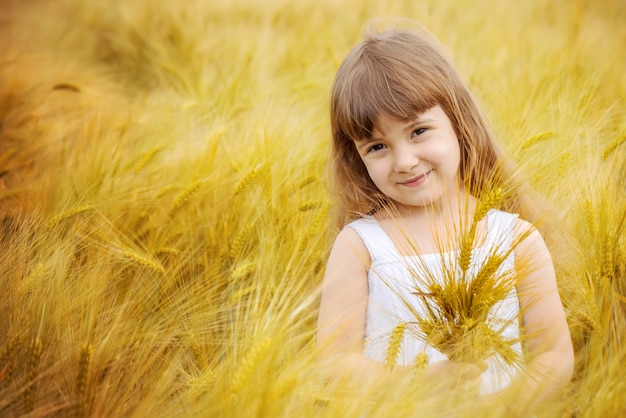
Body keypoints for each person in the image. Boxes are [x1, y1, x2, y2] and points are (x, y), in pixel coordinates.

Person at [316, 21, 574, 414]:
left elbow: (554, 356)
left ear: (458, 122)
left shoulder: (516, 238)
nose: (404, 161)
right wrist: (415, 384)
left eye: (418, 131)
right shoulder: (360, 246)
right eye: (377, 146)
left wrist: (501, 407)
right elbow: (333, 363)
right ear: (357, 156)